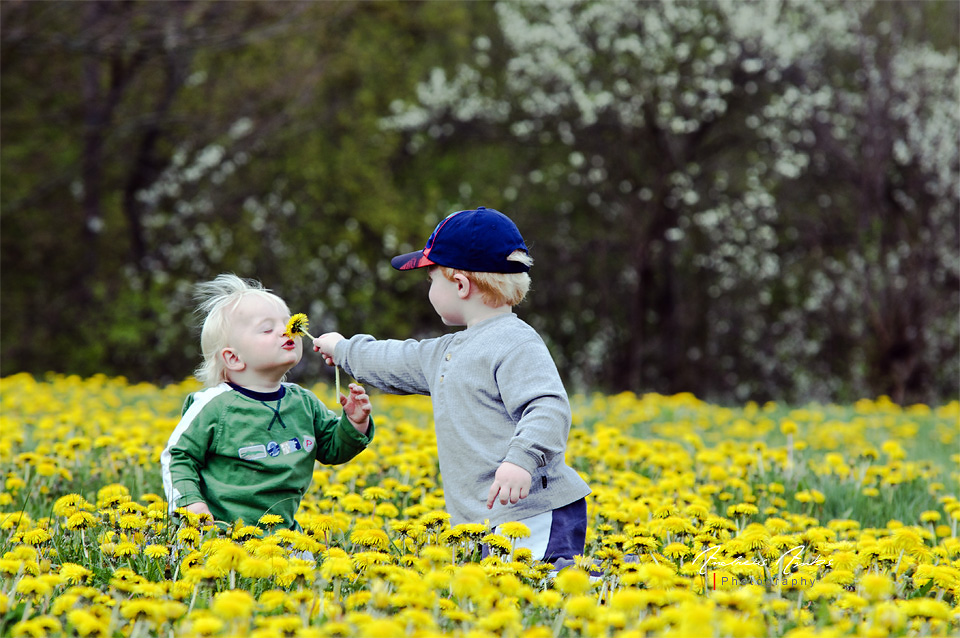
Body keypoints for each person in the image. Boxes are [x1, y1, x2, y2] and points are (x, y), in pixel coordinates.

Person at [313, 206, 591, 567]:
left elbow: (548, 406)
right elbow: (395, 359)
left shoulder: (516, 343)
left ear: (460, 285)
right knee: (498, 604)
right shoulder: (447, 350)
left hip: (533, 511)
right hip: (486, 518)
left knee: (548, 590)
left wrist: (522, 460)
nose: (429, 289)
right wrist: (343, 349)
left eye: (432, 281)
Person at [161, 274, 374, 533]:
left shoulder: (304, 402)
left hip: (283, 534)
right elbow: (178, 456)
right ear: (233, 358)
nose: (287, 332)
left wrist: (354, 423)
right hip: (219, 533)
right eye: (267, 328)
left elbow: (332, 450)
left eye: (288, 324)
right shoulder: (214, 406)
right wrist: (190, 505)